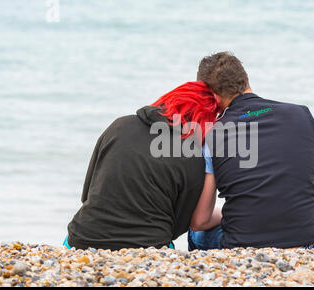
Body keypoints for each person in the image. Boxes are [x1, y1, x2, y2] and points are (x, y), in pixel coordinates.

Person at [188, 52, 314, 250]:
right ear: (245, 81)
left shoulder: (213, 134)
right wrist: (283, 213)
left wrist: (244, 213)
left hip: (242, 246)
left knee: (196, 233)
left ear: (212, 96)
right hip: (309, 242)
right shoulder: (303, 115)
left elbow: (201, 221)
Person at [64, 81, 219, 250]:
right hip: (149, 247)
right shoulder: (194, 157)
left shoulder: (118, 126)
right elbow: (179, 225)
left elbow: (87, 194)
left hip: (82, 239)